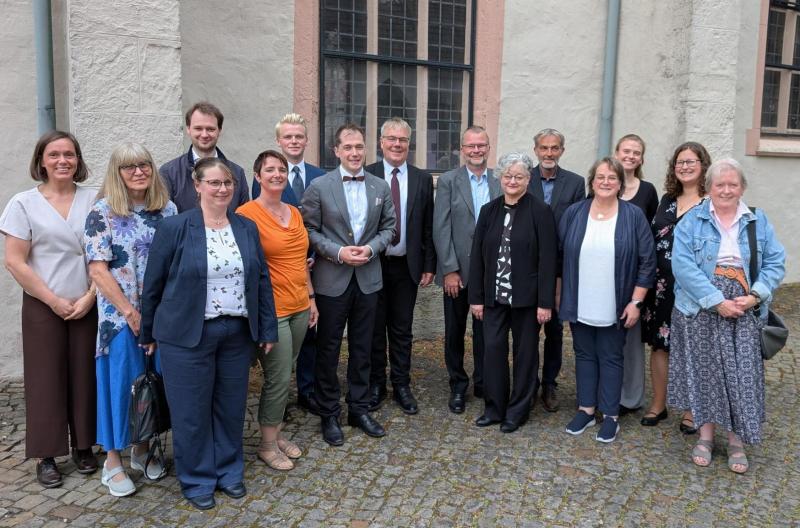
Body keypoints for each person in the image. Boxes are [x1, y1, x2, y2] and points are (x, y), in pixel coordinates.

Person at [140, 158, 278, 510]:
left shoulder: (245, 227)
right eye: (214, 183)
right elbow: (153, 284)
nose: (222, 189)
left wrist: (266, 327)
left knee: (230, 407)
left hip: (235, 332)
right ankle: (198, 478)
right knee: (190, 411)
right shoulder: (175, 228)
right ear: (197, 185)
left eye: (227, 183)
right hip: (185, 336)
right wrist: (148, 333)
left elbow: (261, 280)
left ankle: (229, 471)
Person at [668, 158, 785, 474]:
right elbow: (682, 266)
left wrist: (754, 296)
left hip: (745, 307)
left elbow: (775, 262)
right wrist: (716, 301)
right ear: (708, 188)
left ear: (742, 188)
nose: (726, 190)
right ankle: (705, 437)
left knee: (741, 376)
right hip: (702, 307)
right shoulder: (692, 221)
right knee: (706, 373)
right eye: (720, 184)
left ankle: (736, 442)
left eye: (733, 184)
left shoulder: (757, 221)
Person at [0, 131, 98, 488]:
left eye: (69, 154)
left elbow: (104, 255)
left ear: (78, 160)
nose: (63, 161)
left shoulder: (94, 199)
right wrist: (54, 300)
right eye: (54, 154)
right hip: (43, 303)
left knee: (85, 375)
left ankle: (85, 445)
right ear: (41, 160)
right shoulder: (23, 204)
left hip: (87, 300)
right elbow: (16, 262)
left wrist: (90, 296)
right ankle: (46, 454)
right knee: (46, 379)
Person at [84, 143, 177, 496]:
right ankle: (112, 460)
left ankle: (142, 449)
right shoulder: (102, 213)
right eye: (129, 167)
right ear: (117, 173)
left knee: (152, 385)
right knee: (121, 385)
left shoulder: (167, 210)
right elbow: (98, 269)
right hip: (121, 318)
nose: (138, 171)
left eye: (144, 165)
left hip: (161, 316)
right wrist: (129, 310)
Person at [301, 123, 396, 446]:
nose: (355, 153)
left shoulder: (380, 187)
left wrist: (371, 249)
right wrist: (338, 252)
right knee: (327, 349)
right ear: (337, 151)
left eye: (359, 147)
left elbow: (389, 228)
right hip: (331, 280)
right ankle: (329, 412)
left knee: (364, 346)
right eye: (348, 147)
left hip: (369, 280)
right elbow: (308, 231)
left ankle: (359, 407)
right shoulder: (318, 186)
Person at [559, 157, 655, 443]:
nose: (605, 182)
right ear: (592, 181)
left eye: (612, 178)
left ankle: (611, 415)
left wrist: (636, 302)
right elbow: (559, 255)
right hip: (580, 299)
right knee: (584, 354)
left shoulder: (633, 215)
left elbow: (647, 262)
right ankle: (586, 410)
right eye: (600, 177)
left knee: (612, 357)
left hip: (617, 302)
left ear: (620, 184)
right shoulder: (575, 213)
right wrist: (558, 296)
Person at [237, 150, 318, 471]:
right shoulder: (245, 214)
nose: (276, 174)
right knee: (278, 376)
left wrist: (311, 298)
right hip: (272, 309)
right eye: (269, 170)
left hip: (299, 304)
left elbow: (301, 259)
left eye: (281, 169)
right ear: (257, 176)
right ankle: (267, 445)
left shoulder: (294, 212)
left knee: (286, 373)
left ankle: (275, 433)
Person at [469, 152, 557, 433]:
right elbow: (477, 257)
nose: (512, 181)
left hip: (527, 300)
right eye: (507, 176)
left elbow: (548, 260)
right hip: (494, 297)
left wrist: (545, 303)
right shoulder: (489, 211)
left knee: (526, 354)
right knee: (493, 351)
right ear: (500, 179)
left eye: (519, 176)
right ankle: (494, 408)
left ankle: (517, 411)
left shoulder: (540, 211)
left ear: (528, 179)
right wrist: (476, 298)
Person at [252, 113, 325, 415]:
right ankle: (278, 396)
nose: (294, 141)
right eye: (288, 137)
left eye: (299, 136)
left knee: (309, 335)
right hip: (277, 278)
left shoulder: (322, 175)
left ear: (307, 141)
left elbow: (327, 223)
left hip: (312, 268)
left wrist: (316, 256)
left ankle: (306, 390)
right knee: (281, 347)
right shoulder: (264, 185)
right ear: (279, 141)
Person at [366, 117, 436, 415]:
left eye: (403, 140)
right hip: (373, 265)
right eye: (391, 139)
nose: (397, 144)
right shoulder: (367, 173)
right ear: (381, 142)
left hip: (407, 265)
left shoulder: (421, 178)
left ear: (409, 144)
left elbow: (428, 225)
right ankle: (376, 384)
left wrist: (429, 264)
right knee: (373, 328)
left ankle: (402, 384)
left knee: (402, 329)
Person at [640, 142, 709, 433]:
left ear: (703, 165)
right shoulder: (668, 198)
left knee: (692, 348)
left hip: (692, 287)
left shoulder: (711, 201)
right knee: (660, 346)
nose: (684, 166)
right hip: (661, 287)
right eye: (680, 162)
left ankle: (693, 410)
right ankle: (659, 403)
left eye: (691, 161)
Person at [432, 126, 501, 414]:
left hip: (492, 273)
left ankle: (484, 383)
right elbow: (441, 227)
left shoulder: (499, 180)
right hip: (457, 272)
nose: (476, 150)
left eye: (481, 145)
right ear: (462, 149)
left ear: (488, 148)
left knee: (488, 332)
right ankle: (458, 384)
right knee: (455, 331)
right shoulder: (449, 181)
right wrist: (449, 269)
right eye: (471, 146)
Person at [527, 128, 586, 412]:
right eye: (543, 148)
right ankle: (527, 384)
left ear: (561, 150)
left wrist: (563, 276)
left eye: (554, 148)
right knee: (527, 329)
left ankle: (549, 383)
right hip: (528, 266)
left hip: (561, 266)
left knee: (554, 329)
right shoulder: (524, 177)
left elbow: (575, 227)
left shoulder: (575, 183)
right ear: (535, 150)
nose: (549, 153)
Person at [613, 133, 659, 416]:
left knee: (630, 340)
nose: (630, 156)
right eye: (626, 151)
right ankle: (605, 390)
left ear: (641, 158)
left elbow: (652, 236)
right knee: (605, 336)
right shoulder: (604, 183)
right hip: (605, 274)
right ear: (617, 153)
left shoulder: (648, 191)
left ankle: (629, 397)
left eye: (636, 152)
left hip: (635, 278)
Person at [159, 101, 249, 213]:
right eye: (198, 128)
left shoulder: (237, 173)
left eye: (210, 129)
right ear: (188, 129)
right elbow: (166, 221)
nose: (204, 134)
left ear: (219, 131)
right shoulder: (169, 173)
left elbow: (242, 218)